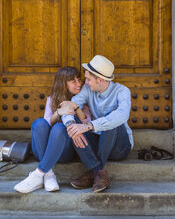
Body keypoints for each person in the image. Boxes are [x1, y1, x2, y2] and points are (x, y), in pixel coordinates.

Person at [61, 55, 133, 193]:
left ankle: (92, 173)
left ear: (100, 80)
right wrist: (71, 125)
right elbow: (71, 105)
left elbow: (122, 115)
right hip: (98, 143)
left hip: (119, 147)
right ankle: (98, 172)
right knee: (74, 123)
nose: (85, 82)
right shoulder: (88, 90)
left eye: (88, 79)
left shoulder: (122, 91)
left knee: (112, 119)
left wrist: (89, 126)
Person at [14, 66, 91, 193]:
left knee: (60, 128)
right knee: (39, 123)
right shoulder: (52, 99)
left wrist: (76, 108)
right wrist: (59, 112)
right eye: (73, 81)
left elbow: (88, 125)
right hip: (42, 149)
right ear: (63, 83)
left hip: (65, 151)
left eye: (79, 79)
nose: (79, 84)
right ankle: (48, 174)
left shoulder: (82, 100)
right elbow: (46, 124)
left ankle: (39, 175)